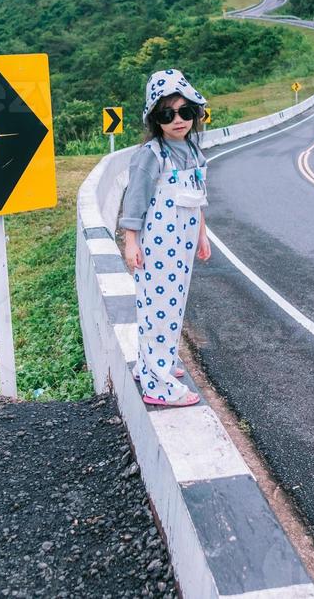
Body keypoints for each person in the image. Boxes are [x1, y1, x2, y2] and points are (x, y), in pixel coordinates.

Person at [119, 68, 211, 408]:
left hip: (184, 243)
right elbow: (135, 201)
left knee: (173, 305)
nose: (178, 120)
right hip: (158, 243)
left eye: (185, 112)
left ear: (195, 114)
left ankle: (153, 365)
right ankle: (158, 385)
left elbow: (198, 197)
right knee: (159, 307)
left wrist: (202, 236)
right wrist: (131, 242)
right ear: (155, 118)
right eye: (167, 113)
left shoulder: (192, 150)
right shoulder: (151, 155)